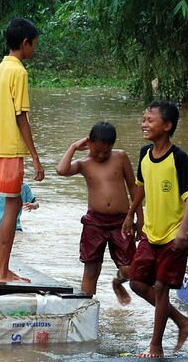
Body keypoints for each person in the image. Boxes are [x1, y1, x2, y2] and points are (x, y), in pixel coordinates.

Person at [122, 100, 188, 358]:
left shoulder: (179, 157)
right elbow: (140, 187)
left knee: (161, 287)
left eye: (150, 120)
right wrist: (132, 214)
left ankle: (156, 345)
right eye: (143, 119)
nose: (144, 124)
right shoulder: (144, 153)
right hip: (150, 232)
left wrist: (183, 230)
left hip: (173, 233)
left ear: (166, 126)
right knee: (136, 282)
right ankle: (182, 322)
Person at [56, 122, 143, 305]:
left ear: (113, 146)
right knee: (91, 268)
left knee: (130, 268)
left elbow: (134, 188)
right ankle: (86, 308)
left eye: (106, 151)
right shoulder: (83, 163)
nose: (102, 155)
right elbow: (61, 170)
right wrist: (73, 147)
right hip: (95, 222)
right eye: (97, 151)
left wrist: (139, 219)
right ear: (88, 143)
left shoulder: (120, 157)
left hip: (122, 221)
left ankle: (117, 282)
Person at [0, 17, 44, 281]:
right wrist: (35, 157)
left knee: (14, 202)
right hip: (10, 147)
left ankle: (1, 267)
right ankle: (0, 270)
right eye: (34, 45)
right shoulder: (18, 71)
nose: (35, 49)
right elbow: (22, 118)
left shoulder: (0, 69)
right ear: (25, 43)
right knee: (13, 205)